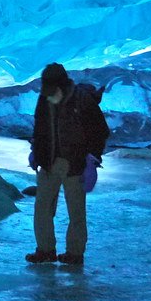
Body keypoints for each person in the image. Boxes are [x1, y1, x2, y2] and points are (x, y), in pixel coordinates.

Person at [25, 63, 110, 266]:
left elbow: (100, 131)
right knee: (42, 208)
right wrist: (35, 151)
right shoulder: (44, 99)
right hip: (48, 162)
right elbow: (40, 127)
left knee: (76, 212)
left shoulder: (82, 100)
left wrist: (92, 159)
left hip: (75, 164)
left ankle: (75, 253)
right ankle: (45, 250)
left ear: (62, 84)